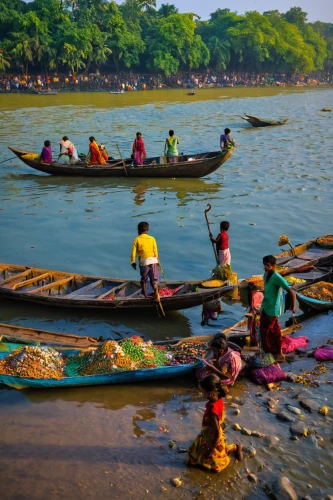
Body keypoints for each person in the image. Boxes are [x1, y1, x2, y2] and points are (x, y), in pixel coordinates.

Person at [186, 374, 242, 472]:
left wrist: (211, 448)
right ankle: (235, 447)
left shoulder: (212, 410)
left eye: (203, 391)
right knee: (219, 447)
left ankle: (234, 448)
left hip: (212, 434)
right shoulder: (218, 399)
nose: (202, 393)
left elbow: (216, 432)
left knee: (208, 453)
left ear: (210, 394)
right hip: (213, 430)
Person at [260, 255, 297, 362]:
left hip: (273, 308)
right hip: (266, 305)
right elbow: (267, 289)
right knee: (273, 330)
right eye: (264, 265)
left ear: (274, 266)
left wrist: (293, 306)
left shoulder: (277, 277)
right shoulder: (266, 274)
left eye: (267, 265)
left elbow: (292, 292)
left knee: (267, 331)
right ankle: (274, 352)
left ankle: (276, 352)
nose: (265, 267)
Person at [131, 221, 159, 298]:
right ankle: (156, 293)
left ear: (138, 230)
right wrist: (157, 261)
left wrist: (133, 262)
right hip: (153, 260)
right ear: (147, 230)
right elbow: (155, 251)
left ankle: (145, 295)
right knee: (154, 279)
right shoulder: (152, 238)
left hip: (144, 262)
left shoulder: (137, 239)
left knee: (144, 279)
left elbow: (134, 253)